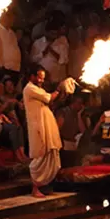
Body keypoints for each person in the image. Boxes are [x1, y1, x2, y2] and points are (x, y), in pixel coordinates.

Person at [23, 65, 65, 197]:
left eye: (43, 78)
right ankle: (35, 188)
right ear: (32, 77)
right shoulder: (30, 88)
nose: (41, 81)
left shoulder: (37, 90)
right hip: (38, 125)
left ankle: (45, 185)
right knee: (41, 155)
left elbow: (51, 101)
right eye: (39, 78)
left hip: (46, 123)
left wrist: (62, 92)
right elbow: (49, 98)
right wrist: (59, 88)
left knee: (51, 152)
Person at [0, 8, 20, 74]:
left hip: (15, 68)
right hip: (4, 70)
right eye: (11, 18)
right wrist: (1, 68)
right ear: (4, 17)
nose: (13, 20)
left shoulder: (12, 33)